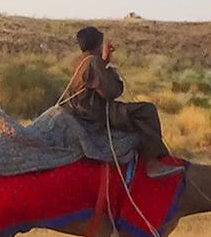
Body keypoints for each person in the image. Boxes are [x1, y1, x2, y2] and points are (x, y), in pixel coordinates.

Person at [61, 26, 183, 177]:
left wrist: (105, 60)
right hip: (95, 114)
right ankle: (153, 163)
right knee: (147, 111)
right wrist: (109, 67)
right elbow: (111, 92)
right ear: (98, 43)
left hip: (85, 110)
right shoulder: (93, 61)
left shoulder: (81, 61)